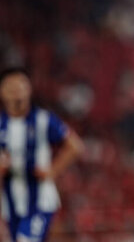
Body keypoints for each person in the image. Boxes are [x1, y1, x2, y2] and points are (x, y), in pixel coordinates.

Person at [0, 67, 83, 242]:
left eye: (20, 86)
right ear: (2, 92)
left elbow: (75, 146)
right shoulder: (1, 125)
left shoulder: (43, 120)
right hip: (11, 201)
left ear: (29, 89)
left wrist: (52, 171)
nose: (16, 92)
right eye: (11, 87)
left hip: (40, 200)